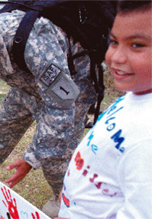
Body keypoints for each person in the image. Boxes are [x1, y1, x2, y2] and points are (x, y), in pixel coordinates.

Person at [0, 7, 98, 217]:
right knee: (1, 129)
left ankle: (63, 195)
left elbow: (61, 106)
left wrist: (30, 159)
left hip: (71, 93)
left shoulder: (36, 45)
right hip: (28, 85)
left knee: (55, 152)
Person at [56, 1, 152, 218]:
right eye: (114, 42)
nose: (115, 58)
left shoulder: (147, 137)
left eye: (137, 45)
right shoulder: (138, 93)